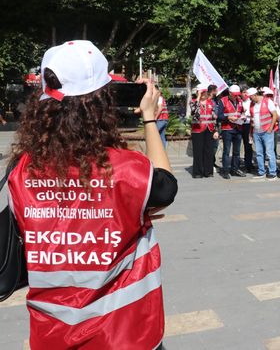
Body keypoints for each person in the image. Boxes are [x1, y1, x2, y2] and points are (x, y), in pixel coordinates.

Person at [8, 40, 177, 349]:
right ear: (101, 103)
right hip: (126, 333)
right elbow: (166, 187)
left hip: (52, 335)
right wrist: (150, 118)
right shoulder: (129, 171)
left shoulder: (21, 172)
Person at [249, 87, 279, 180]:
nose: (250, 99)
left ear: (255, 95)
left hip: (267, 131)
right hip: (256, 132)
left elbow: (275, 115)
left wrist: (270, 128)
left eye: (251, 97)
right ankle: (261, 171)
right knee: (259, 153)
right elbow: (253, 116)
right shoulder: (252, 104)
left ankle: (272, 172)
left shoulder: (267, 101)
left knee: (269, 152)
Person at [217, 84, 246, 179]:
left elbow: (241, 112)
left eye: (238, 94)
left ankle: (235, 169)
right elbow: (219, 116)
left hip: (238, 128)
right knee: (226, 151)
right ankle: (225, 171)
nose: (236, 96)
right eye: (235, 94)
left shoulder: (240, 101)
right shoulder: (223, 101)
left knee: (237, 152)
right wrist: (228, 117)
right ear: (229, 93)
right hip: (227, 129)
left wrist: (243, 117)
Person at [190, 84, 217, 178]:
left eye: (204, 92)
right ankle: (198, 172)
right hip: (197, 129)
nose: (203, 94)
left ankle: (208, 171)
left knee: (209, 151)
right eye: (201, 92)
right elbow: (193, 111)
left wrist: (215, 130)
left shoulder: (211, 103)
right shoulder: (193, 102)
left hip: (209, 129)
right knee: (198, 151)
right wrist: (198, 97)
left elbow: (214, 117)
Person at [241, 86, 255, 173]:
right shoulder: (239, 102)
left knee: (248, 145)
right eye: (244, 92)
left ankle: (248, 164)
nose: (246, 94)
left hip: (249, 125)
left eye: (247, 92)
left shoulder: (251, 102)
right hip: (239, 125)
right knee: (238, 145)